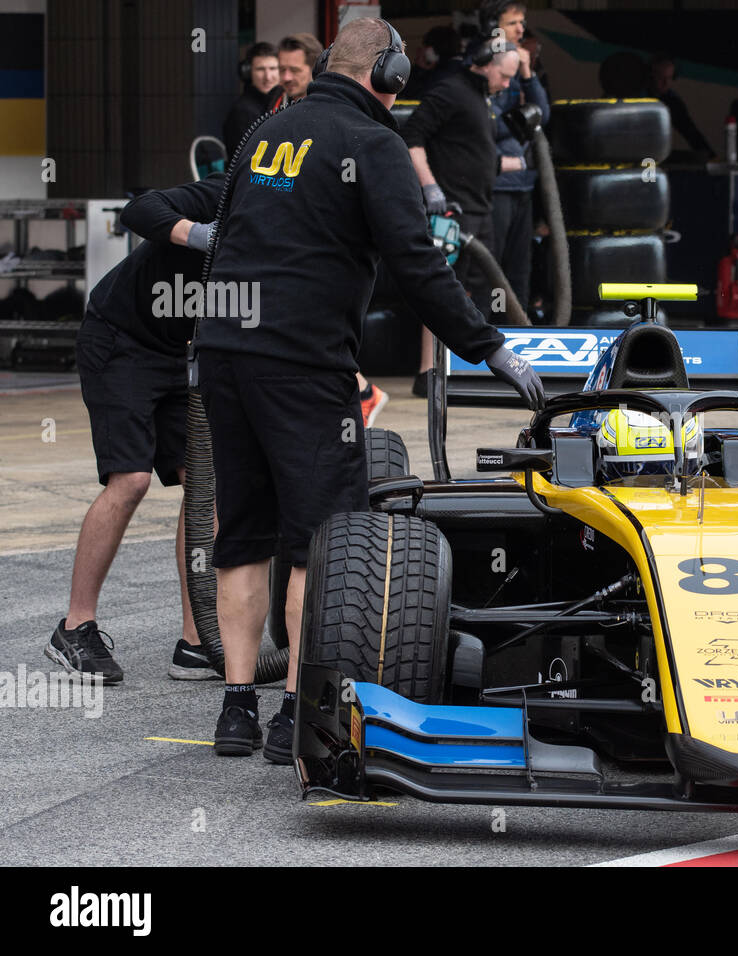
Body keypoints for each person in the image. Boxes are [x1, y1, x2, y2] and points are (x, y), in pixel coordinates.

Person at [194, 17, 542, 762]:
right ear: (387, 74)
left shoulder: (266, 131)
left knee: (243, 531)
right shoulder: (373, 142)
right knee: (319, 537)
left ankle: (233, 709)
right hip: (301, 360)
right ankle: (295, 713)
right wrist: (489, 347)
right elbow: (416, 267)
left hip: (222, 348)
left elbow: (228, 234)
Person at [44, 176, 224, 686]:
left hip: (178, 352)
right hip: (118, 339)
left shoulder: (291, 230)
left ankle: (196, 640)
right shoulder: (226, 192)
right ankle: (75, 627)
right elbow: (140, 208)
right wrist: (200, 235)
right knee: (131, 480)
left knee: (206, 485)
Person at [266, 32, 386, 423]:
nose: (284, 76)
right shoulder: (278, 109)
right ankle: (362, 391)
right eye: (280, 68)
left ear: (319, 68)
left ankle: (362, 392)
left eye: (293, 69)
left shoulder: (346, 121)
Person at [404, 35, 523, 395]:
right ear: (485, 63)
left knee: (479, 293)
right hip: (452, 211)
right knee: (443, 289)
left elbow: (470, 154)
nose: (506, 84)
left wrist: (513, 162)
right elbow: (412, 136)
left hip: (480, 210)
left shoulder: (482, 100)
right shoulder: (451, 90)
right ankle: (428, 373)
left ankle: (463, 372)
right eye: (503, 76)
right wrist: (430, 188)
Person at [482, 0, 549, 320]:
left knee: (519, 269)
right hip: (493, 186)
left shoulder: (519, 72)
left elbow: (541, 116)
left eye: (522, 22)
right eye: (513, 23)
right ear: (494, 28)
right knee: (488, 269)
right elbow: (483, 126)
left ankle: (519, 335)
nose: (521, 29)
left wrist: (526, 73)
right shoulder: (482, 65)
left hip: (523, 185)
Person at [223, 42, 282, 159]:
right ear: (248, 73)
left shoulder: (282, 101)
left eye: (273, 68)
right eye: (260, 69)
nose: (268, 77)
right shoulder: (242, 112)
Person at [648, 52, 712, 156]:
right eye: (661, 77)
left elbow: (691, 132)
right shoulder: (638, 96)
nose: (666, 83)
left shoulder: (672, 101)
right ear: (651, 76)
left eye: (669, 78)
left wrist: (711, 157)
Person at [403, 25, 463, 103]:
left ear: (434, 49)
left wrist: (420, 69)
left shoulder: (440, 76)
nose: (424, 51)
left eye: (426, 46)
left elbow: (417, 99)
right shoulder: (464, 68)